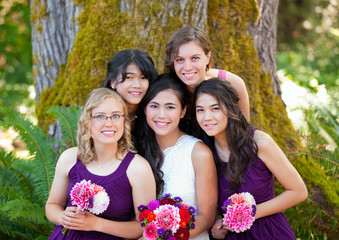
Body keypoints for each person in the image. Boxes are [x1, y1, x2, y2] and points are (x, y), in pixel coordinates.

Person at [194, 78, 308, 239]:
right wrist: (219, 222)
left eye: (215, 108)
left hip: (269, 231)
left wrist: (248, 213)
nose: (207, 117)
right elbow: (212, 205)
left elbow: (299, 191)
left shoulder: (259, 143)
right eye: (200, 110)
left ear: (231, 108)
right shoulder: (204, 151)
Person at [46, 88, 156, 240]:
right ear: (87, 122)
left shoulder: (138, 168)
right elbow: (52, 205)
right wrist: (63, 217)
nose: (109, 123)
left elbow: (143, 227)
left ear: (124, 121)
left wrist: (96, 224)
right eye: (100, 116)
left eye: (116, 116)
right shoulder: (69, 158)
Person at [134, 73, 218, 239]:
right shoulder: (138, 152)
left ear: (183, 111)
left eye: (170, 107)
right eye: (154, 106)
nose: (161, 115)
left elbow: (206, 217)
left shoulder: (198, 153)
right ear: (145, 109)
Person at [164, 26, 250, 129]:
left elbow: (245, 130)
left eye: (195, 58)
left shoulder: (233, 83)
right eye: (180, 60)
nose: (188, 67)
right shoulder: (167, 91)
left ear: (208, 57)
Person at [102, 49, 158, 120]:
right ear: (113, 82)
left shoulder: (153, 113)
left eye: (143, 77)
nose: (137, 85)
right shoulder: (100, 114)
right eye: (129, 77)